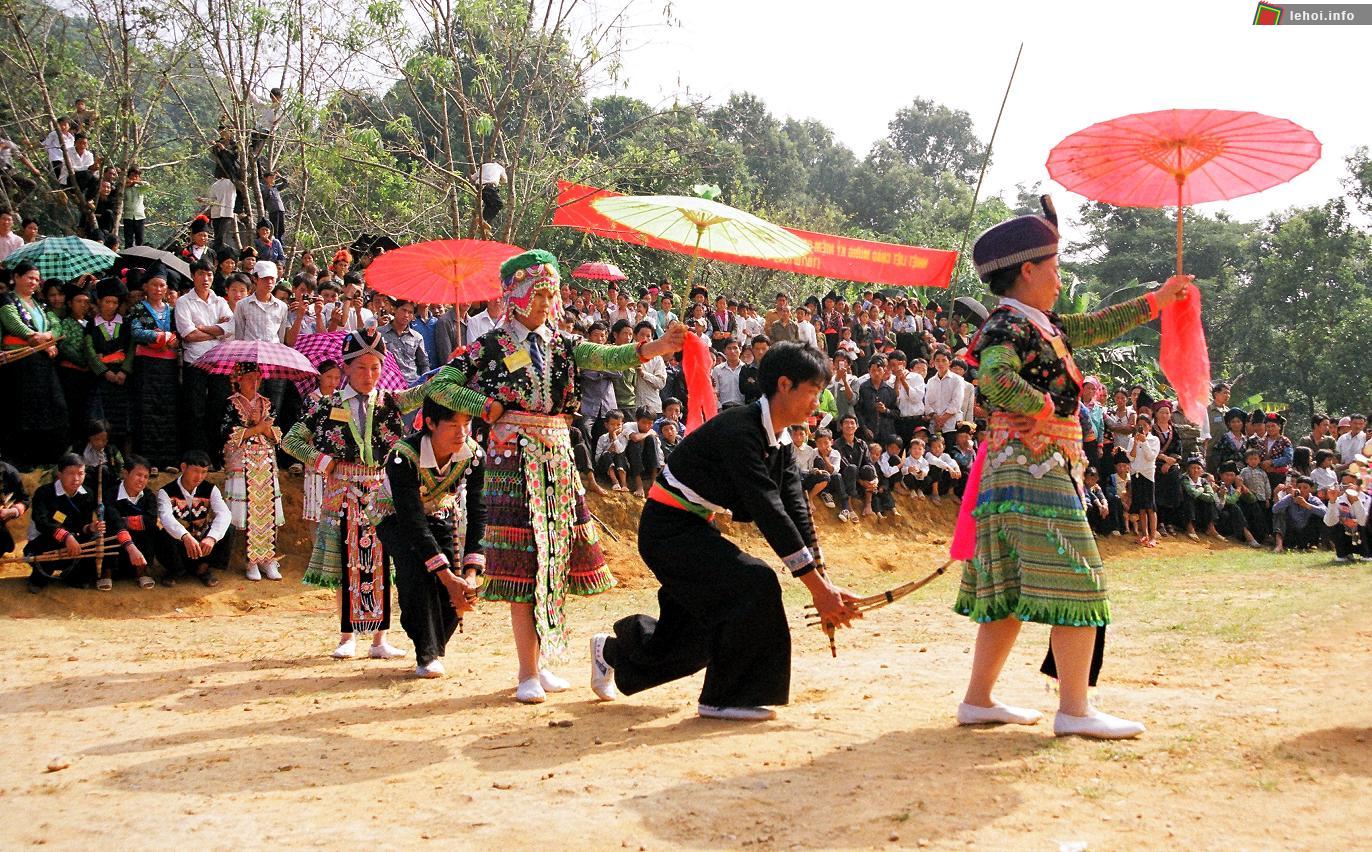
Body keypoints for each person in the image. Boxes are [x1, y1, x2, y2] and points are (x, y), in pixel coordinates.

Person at [954, 197, 1188, 739]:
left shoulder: (1036, 323)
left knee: (1008, 587)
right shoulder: (1010, 327)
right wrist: (1043, 407)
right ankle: (1075, 710)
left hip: (1017, 470)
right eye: (1055, 269)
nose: (1061, 280)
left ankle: (979, 698)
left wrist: (1157, 300)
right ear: (1028, 270)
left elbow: (1097, 325)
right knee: (1078, 578)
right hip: (1033, 467)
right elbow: (993, 378)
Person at [426, 249, 685, 704]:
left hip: (558, 459)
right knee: (526, 563)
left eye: (551, 293)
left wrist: (657, 347)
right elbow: (439, 385)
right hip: (512, 462)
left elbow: (606, 353)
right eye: (540, 294)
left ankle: (542, 664)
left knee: (553, 559)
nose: (548, 302)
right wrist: (484, 407)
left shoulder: (562, 344)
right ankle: (527, 669)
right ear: (517, 297)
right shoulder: (488, 348)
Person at [590, 342, 859, 720]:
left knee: (698, 635)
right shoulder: (740, 431)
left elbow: (794, 507)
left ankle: (612, 652)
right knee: (755, 582)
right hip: (668, 532)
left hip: (693, 529)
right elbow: (768, 509)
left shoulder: (778, 440)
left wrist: (823, 580)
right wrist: (817, 589)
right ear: (784, 384)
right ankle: (728, 697)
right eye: (813, 391)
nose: (817, 402)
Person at [284, 328, 426, 660]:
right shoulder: (327, 405)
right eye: (361, 368)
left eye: (375, 368)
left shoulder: (391, 400)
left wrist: (453, 365)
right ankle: (347, 635)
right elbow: (290, 439)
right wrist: (322, 461)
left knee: (384, 564)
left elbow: (426, 390)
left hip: (381, 491)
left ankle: (380, 639)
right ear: (346, 368)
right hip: (342, 492)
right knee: (347, 564)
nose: (369, 375)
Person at [374, 397, 486, 678]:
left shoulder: (473, 455)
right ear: (430, 424)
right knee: (418, 573)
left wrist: (471, 575)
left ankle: (434, 647)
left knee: (451, 572)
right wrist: (448, 579)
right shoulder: (403, 456)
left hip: (437, 513)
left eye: (466, 424)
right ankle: (426, 653)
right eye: (452, 424)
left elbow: (478, 511)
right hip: (394, 517)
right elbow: (411, 521)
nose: (461, 432)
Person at [25, 453, 141, 593]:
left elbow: (82, 525)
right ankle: (38, 578)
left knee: (83, 574)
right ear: (60, 474)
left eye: (80, 473)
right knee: (47, 552)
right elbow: (41, 522)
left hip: (76, 543)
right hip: (45, 541)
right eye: (71, 474)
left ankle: (71, 574)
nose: (76, 479)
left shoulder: (88, 494)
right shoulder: (44, 493)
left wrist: (90, 527)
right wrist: (67, 536)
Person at [1, 261, 68, 468]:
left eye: (37, 279)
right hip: (19, 362)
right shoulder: (7, 300)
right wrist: (37, 338)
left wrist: (48, 337)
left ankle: (45, 457)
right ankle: (20, 460)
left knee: (49, 408)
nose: (34, 282)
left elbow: (55, 326)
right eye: (30, 277)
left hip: (41, 363)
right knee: (21, 411)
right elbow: (14, 323)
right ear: (17, 277)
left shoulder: (39, 304)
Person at [222, 362, 284, 581]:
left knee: (268, 509)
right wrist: (256, 428)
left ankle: (269, 559)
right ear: (239, 379)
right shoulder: (231, 404)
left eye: (257, 378)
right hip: (243, 461)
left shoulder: (267, 403)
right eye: (249, 378)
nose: (254, 382)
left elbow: (277, 433)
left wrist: (264, 427)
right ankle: (251, 560)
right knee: (249, 510)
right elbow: (227, 434)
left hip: (265, 461)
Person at [176, 260, 234, 463]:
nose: (206, 279)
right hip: (195, 362)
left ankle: (215, 456)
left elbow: (230, 330)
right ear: (194, 276)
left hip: (219, 363)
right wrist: (216, 330)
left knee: (218, 409)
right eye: (201, 274)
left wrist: (204, 328)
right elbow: (188, 335)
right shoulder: (184, 301)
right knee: (195, 411)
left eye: (209, 274)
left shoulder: (220, 302)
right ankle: (196, 457)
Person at [155, 450, 232, 586]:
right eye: (196, 471)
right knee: (161, 532)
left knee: (228, 528)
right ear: (183, 467)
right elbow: (166, 518)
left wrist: (211, 537)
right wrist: (184, 536)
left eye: (204, 472)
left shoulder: (211, 489)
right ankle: (175, 570)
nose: (200, 476)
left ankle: (203, 568)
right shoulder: (165, 492)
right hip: (179, 545)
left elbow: (225, 514)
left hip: (201, 544)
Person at [127, 268, 180, 469]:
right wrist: (158, 336)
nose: (158, 289)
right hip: (146, 365)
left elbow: (179, 332)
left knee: (166, 409)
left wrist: (172, 338)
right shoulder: (138, 308)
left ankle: (167, 460)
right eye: (154, 285)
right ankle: (147, 462)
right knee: (147, 409)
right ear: (145, 287)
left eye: (162, 285)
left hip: (168, 366)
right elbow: (135, 331)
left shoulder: (172, 310)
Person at [86, 276, 134, 453]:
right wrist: (104, 371)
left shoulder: (126, 324)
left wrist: (124, 371)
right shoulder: (91, 325)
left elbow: (131, 349)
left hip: (121, 378)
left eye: (115, 302)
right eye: (107, 302)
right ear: (99, 302)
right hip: (102, 379)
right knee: (102, 417)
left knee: (122, 419)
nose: (111, 306)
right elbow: (89, 351)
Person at [104, 454, 158, 589]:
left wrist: (125, 521)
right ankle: (106, 572)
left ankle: (142, 570)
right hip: (117, 541)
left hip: (139, 543)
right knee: (107, 528)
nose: (142, 480)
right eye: (138, 475)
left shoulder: (149, 496)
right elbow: (113, 519)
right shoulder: (111, 494)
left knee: (152, 530)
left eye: (146, 477)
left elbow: (151, 521)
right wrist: (125, 526)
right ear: (126, 473)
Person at [378, 300, 429, 383]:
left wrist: (425, 382)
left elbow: (424, 363)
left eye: (410, 312)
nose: (406, 315)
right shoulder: (380, 334)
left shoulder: (417, 337)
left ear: (413, 316)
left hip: (411, 383)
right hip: (387, 383)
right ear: (394, 309)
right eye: (403, 310)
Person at [1271, 476, 1326, 553]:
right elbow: (1275, 509)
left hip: (1306, 532)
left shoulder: (1314, 500)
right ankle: (1279, 545)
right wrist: (1290, 497)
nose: (1302, 490)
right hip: (1291, 531)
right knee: (1279, 514)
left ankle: (1314, 544)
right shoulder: (1290, 498)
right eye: (1299, 487)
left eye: (1305, 487)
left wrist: (1307, 505)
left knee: (1318, 515)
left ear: (1311, 489)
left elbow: (1325, 513)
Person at [1323, 470, 1369, 562]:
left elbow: (1364, 522)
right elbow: (1329, 522)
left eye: (1351, 484)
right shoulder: (1339, 500)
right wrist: (1332, 501)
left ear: (1359, 486)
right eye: (1344, 484)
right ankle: (1343, 553)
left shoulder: (1367, 499)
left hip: (1364, 535)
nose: (1347, 487)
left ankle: (1367, 553)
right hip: (1347, 534)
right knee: (1333, 525)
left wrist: (1355, 500)